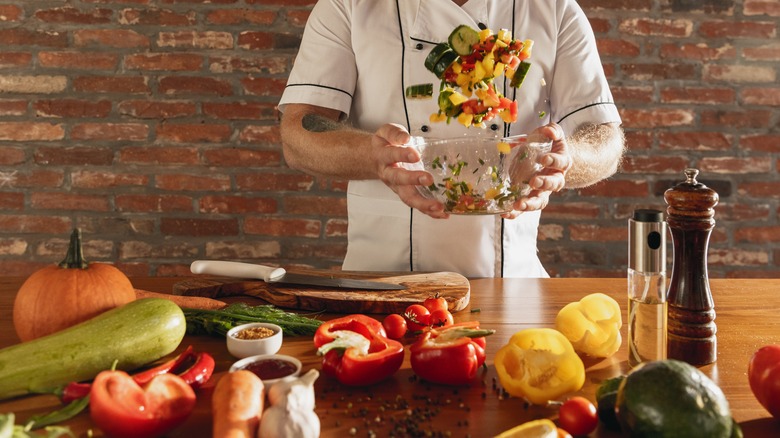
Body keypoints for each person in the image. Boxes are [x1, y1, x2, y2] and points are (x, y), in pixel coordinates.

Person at [277, 0, 625, 278]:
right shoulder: (348, 6)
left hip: (512, 283)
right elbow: (298, 134)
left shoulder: (554, 9)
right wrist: (374, 157)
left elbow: (604, 141)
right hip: (380, 284)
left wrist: (564, 160)